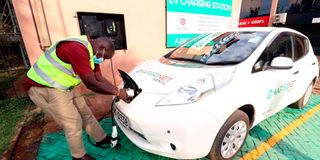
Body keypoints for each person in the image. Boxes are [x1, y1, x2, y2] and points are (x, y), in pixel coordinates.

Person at [24, 35, 130, 160]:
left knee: (85, 112)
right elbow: (91, 84)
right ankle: (78, 156)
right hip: (44, 88)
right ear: (101, 49)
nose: (103, 60)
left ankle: (100, 138)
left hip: (64, 86)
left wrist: (118, 91)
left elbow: (98, 78)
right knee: (72, 123)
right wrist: (118, 92)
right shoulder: (76, 48)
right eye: (105, 57)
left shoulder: (92, 53)